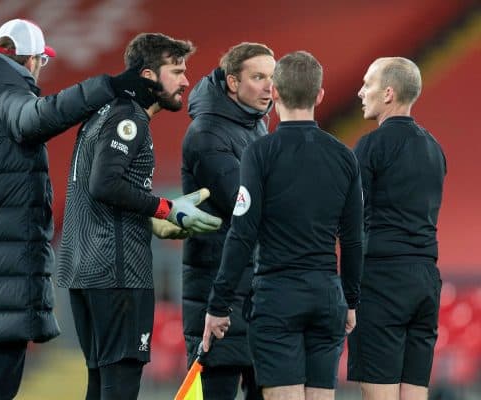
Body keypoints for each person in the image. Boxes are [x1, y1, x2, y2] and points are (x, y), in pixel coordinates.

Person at [0, 18, 162, 400]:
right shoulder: (7, 98)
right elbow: (42, 116)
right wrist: (107, 87)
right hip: (2, 277)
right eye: (41, 62)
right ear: (29, 60)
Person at [56, 33, 222, 400]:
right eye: (176, 71)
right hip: (117, 272)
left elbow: (103, 189)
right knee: (120, 387)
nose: (185, 81)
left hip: (85, 267)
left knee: (100, 385)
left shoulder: (102, 113)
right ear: (148, 75)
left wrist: (152, 215)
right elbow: (104, 184)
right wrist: (166, 208)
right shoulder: (129, 118)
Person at [203, 51, 364, 400]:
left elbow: (242, 233)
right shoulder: (344, 157)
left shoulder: (260, 153)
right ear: (319, 95)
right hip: (326, 296)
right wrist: (350, 300)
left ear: (274, 92)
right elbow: (352, 240)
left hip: (278, 298)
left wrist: (219, 305)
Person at [347, 57, 446, 400]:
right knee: (414, 393)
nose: (361, 92)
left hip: (383, 280)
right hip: (426, 281)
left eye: (368, 84)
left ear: (388, 93)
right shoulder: (435, 147)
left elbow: (352, 220)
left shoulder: (370, 146)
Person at [181, 42, 275, 400]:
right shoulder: (208, 133)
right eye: (258, 77)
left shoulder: (254, 126)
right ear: (233, 83)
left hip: (252, 290)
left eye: (272, 77)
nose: (269, 87)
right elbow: (244, 203)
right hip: (218, 290)